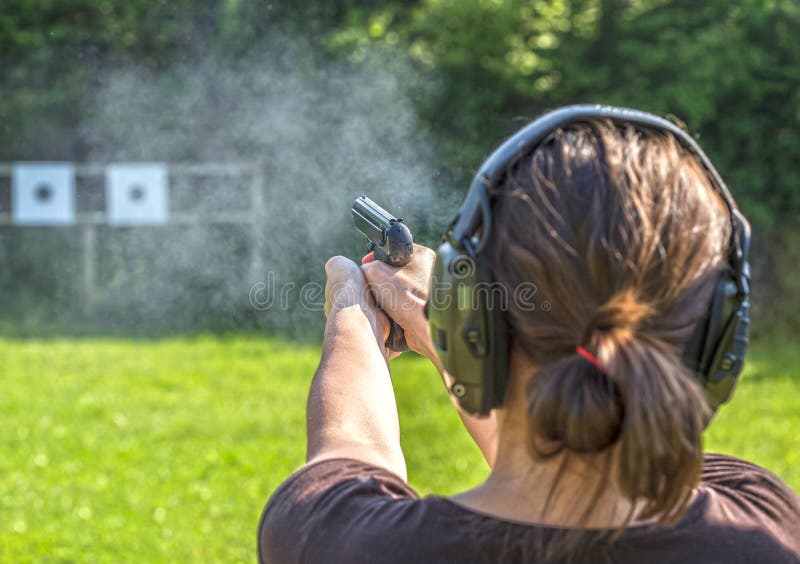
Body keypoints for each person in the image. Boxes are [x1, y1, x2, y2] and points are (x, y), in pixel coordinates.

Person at [258, 109, 800, 563]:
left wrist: (353, 308)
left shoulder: (348, 544)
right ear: (717, 341)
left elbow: (349, 454)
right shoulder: (766, 522)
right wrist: (457, 321)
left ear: (482, 337)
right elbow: (578, 458)